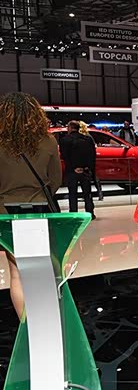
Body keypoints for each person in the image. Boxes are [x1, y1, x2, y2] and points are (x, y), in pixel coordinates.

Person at [0, 92, 62, 320]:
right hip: (40, 212)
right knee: (43, 268)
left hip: (5, 214)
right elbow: (55, 180)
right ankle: (45, 321)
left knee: (17, 272)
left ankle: (26, 324)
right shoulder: (48, 141)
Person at [59, 120, 96, 219]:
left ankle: (73, 213)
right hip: (85, 170)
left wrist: (73, 168)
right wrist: (88, 168)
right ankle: (90, 213)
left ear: (70, 128)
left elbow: (65, 156)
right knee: (87, 193)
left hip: (72, 170)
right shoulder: (87, 139)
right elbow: (92, 155)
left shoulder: (65, 140)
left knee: (72, 194)